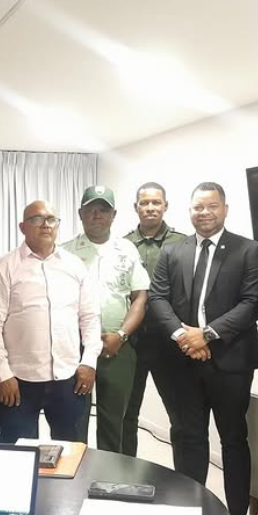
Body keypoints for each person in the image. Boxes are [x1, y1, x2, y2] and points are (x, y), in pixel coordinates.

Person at [149, 182, 258, 515]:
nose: (204, 213)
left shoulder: (250, 250)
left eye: (211, 206)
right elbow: (158, 297)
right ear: (189, 211)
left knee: (233, 439)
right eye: (198, 207)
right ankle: (190, 507)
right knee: (190, 438)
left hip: (230, 361)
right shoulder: (173, 250)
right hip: (183, 360)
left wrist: (208, 335)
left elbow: (252, 303)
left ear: (225, 209)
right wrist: (184, 337)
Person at [0, 201, 102, 443]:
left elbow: (90, 318)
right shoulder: (4, 267)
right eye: (37, 219)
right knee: (19, 453)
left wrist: (89, 362)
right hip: (19, 380)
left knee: (72, 450)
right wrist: (3, 374)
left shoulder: (75, 265)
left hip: (69, 377)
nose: (46, 225)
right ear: (22, 227)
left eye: (51, 219)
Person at [62, 186, 149, 452]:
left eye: (103, 210)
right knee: (74, 421)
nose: (96, 215)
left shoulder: (127, 250)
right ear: (80, 214)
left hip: (116, 346)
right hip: (75, 348)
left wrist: (121, 336)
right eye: (90, 210)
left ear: (113, 215)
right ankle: (75, 475)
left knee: (114, 421)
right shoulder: (64, 252)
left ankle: (110, 475)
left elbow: (140, 298)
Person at [122, 182, 186, 457]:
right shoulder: (122, 245)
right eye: (144, 202)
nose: (150, 208)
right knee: (126, 414)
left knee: (181, 415)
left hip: (169, 341)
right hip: (132, 340)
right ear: (136, 207)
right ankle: (124, 473)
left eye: (156, 202)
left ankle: (183, 476)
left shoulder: (183, 243)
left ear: (165, 205)